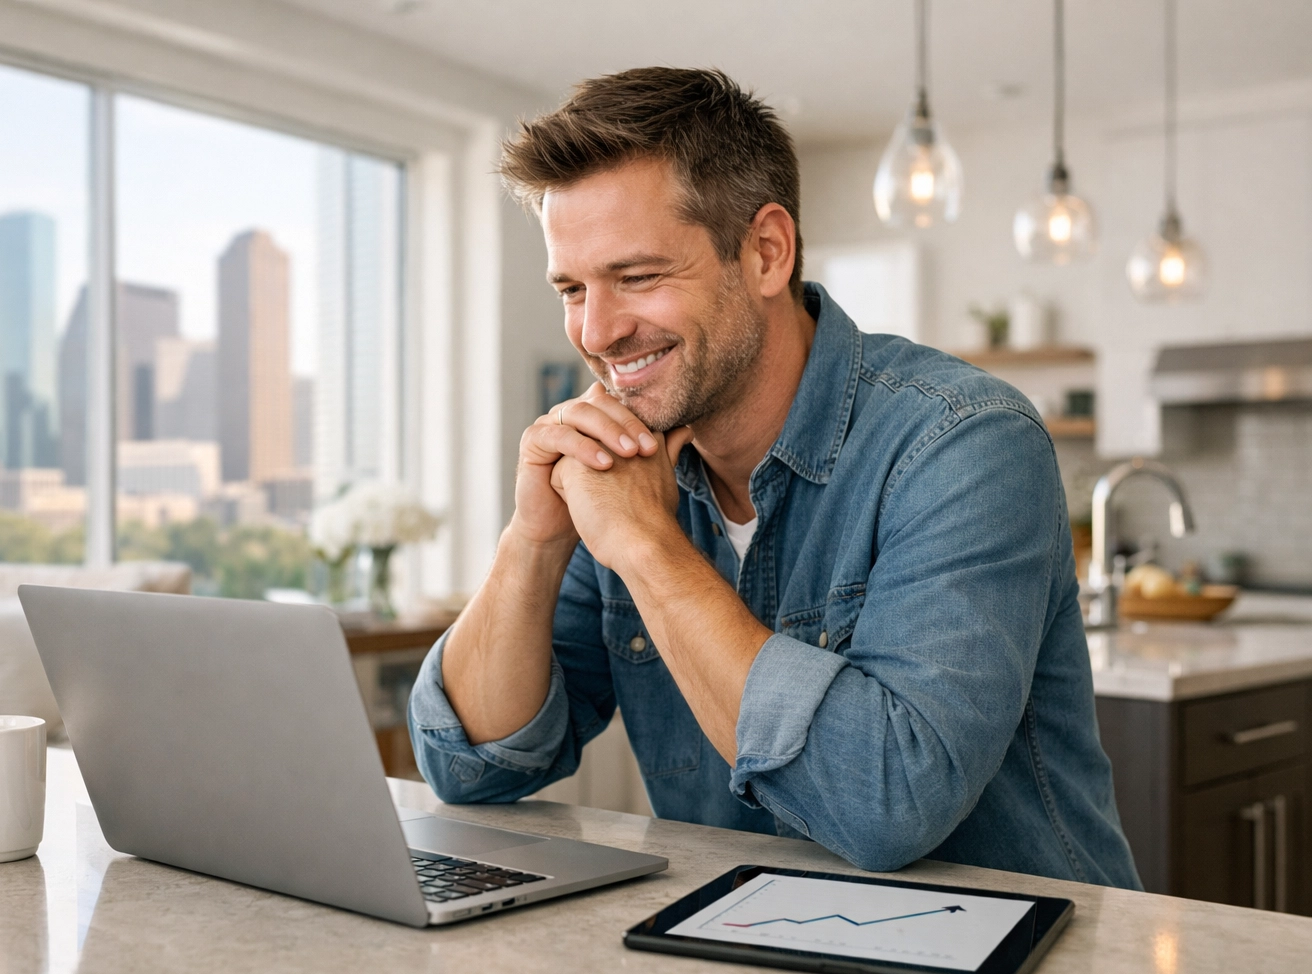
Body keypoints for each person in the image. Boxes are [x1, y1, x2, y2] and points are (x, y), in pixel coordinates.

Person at [407, 67, 1140, 887]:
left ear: (765, 252)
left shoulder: (964, 442)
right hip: (741, 949)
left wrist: (649, 551)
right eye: (573, 288)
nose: (599, 331)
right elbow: (473, 769)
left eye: (639, 277)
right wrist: (534, 539)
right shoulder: (622, 469)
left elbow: (888, 804)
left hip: (1031, 973)